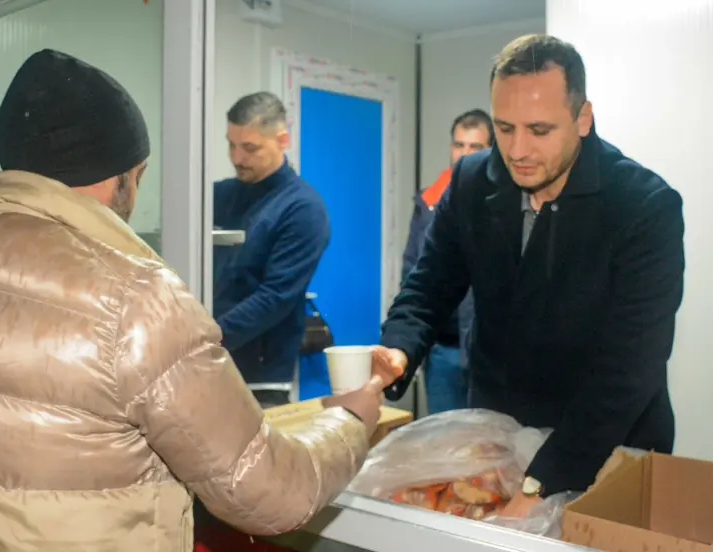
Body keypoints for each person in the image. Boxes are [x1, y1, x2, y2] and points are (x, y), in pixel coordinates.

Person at [0, 50, 384, 551]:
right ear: (121, 176)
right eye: (140, 176)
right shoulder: (134, 304)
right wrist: (350, 421)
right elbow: (273, 494)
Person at [373, 34, 684, 517]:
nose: (518, 150)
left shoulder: (643, 207)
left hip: (609, 448)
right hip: (500, 438)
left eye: (539, 130)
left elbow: (628, 373)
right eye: (504, 128)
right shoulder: (470, 181)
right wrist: (398, 349)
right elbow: (429, 285)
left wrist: (541, 482)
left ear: (583, 118)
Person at [213, 92, 329, 408]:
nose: (237, 158)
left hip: (260, 380)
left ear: (282, 140)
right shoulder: (218, 196)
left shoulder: (302, 209)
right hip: (207, 367)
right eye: (231, 145)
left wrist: (207, 338)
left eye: (250, 148)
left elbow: (275, 298)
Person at [399, 109, 494, 413]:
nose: (464, 154)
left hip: (485, 352)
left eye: (475, 146)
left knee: (488, 437)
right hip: (441, 350)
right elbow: (412, 271)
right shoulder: (429, 201)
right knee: (443, 437)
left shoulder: (501, 202)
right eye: (458, 145)